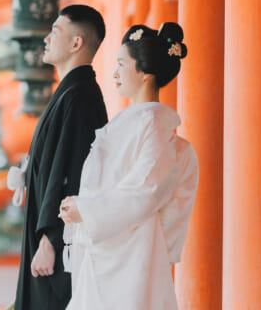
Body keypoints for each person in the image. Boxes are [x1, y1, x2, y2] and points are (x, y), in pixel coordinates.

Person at [58, 22, 199, 310]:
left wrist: (87, 209)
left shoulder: (153, 123)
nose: (115, 73)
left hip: (132, 258)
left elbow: (147, 190)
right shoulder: (134, 121)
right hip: (113, 251)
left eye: (122, 64)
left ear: (145, 74)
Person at [13, 4, 109, 310]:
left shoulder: (81, 96)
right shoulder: (70, 93)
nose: (46, 38)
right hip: (49, 235)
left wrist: (51, 239)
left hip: (58, 243)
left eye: (55, 31)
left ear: (76, 42)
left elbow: (75, 173)